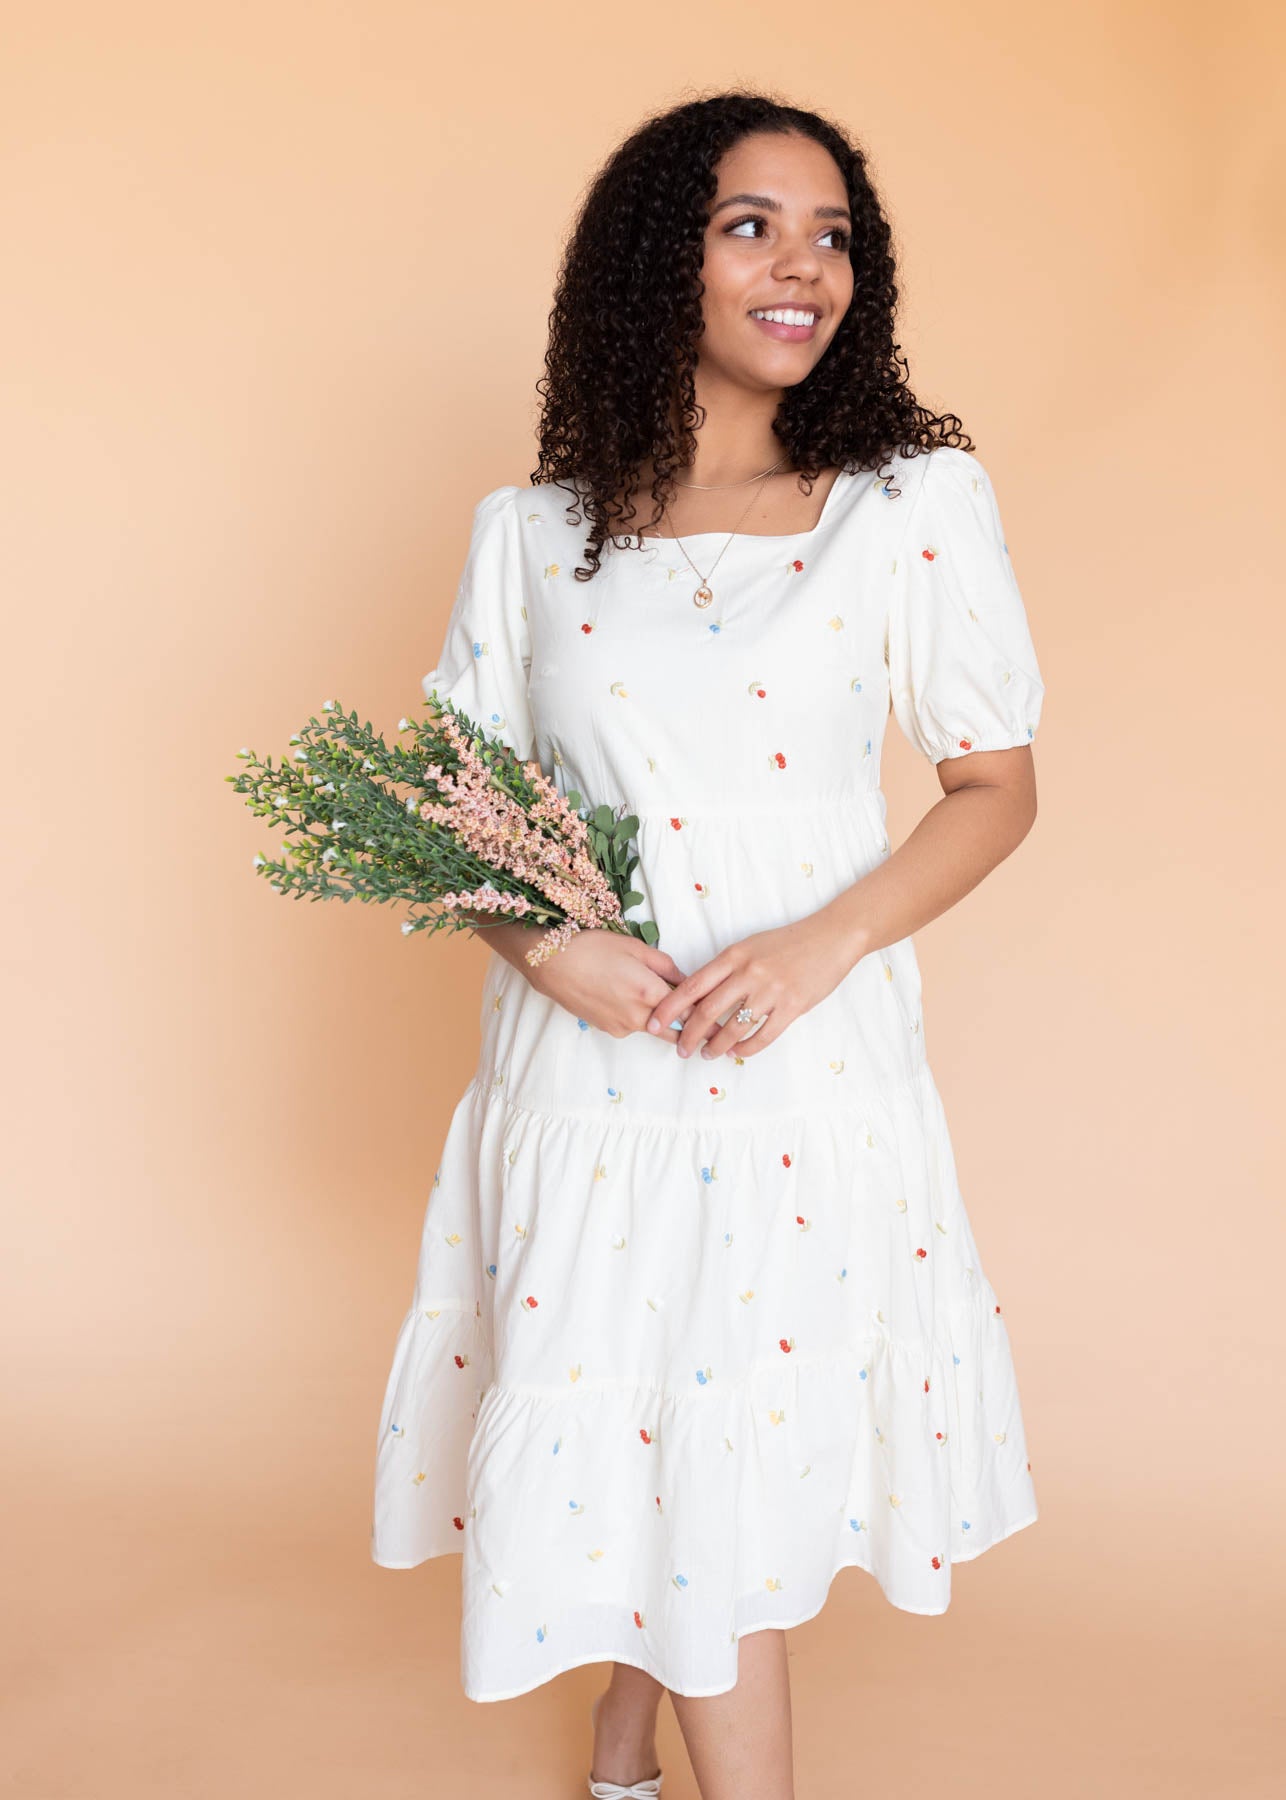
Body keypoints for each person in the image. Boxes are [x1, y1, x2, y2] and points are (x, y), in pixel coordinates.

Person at [371, 90, 1046, 1800]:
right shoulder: (529, 537)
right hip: (590, 1082)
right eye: (751, 224)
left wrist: (821, 947)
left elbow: (992, 787)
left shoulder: (903, 504)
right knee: (628, 1416)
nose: (800, 266)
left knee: (727, 1453)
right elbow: (451, 811)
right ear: (651, 258)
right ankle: (621, 1734)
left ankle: (636, 1758)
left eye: (832, 236)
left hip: (795, 1076)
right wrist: (547, 950)